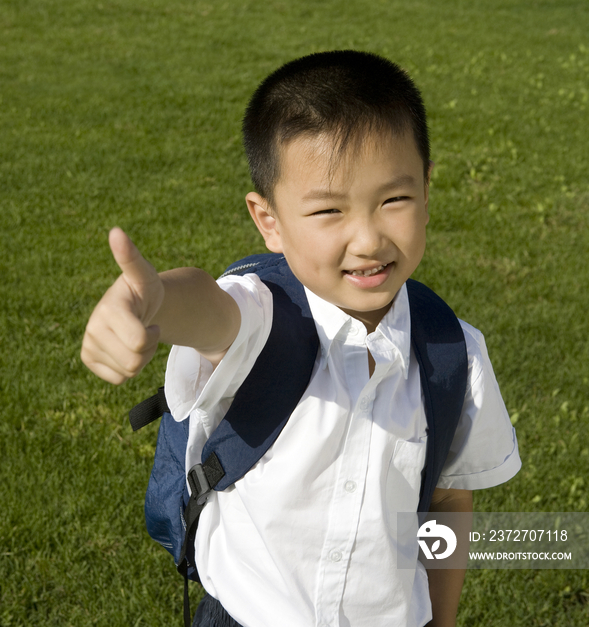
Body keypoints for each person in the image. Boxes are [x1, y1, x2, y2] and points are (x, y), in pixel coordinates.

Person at [81, 50, 521, 627]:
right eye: (328, 211)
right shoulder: (262, 319)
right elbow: (211, 310)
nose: (367, 239)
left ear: (427, 188)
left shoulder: (451, 353)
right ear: (269, 221)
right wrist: (157, 300)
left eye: (393, 199)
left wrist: (440, 620)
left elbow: (446, 501)